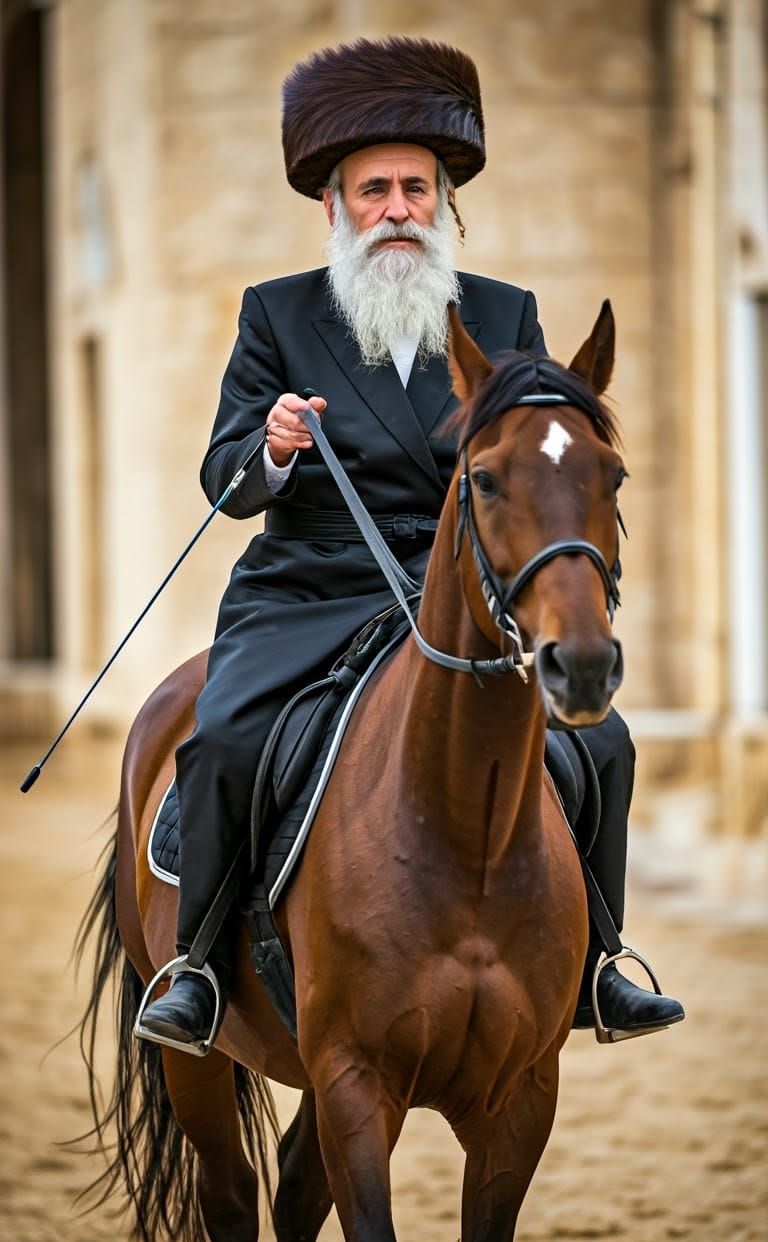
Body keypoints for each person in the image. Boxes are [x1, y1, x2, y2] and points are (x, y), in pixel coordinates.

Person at [139, 36, 684, 1050]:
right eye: (376, 188)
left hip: (461, 593)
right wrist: (272, 446)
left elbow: (529, 462)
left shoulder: (505, 313)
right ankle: (198, 970)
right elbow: (224, 478)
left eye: (417, 188)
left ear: (445, 203)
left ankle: (600, 968)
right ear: (336, 207)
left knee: (603, 740)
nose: (398, 206)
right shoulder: (277, 313)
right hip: (309, 588)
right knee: (221, 738)